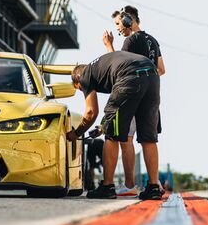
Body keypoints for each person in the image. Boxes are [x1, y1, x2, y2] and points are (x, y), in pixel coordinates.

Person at [66, 51, 162, 200]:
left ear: (78, 79)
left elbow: (91, 112)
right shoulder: (101, 67)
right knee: (148, 137)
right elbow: (119, 109)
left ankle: (107, 186)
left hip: (129, 75)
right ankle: (154, 187)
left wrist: (76, 134)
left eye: (80, 89)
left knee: (111, 135)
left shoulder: (85, 75)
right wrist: (103, 126)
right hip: (152, 75)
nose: (83, 91)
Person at [102, 5, 166, 197]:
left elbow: (118, 69)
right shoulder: (152, 40)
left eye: (118, 23)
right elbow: (161, 69)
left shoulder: (131, 40)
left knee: (125, 138)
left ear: (128, 20)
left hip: (132, 93)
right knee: (149, 138)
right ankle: (154, 185)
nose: (117, 28)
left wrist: (108, 47)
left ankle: (129, 185)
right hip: (151, 91)